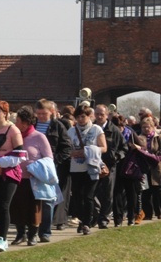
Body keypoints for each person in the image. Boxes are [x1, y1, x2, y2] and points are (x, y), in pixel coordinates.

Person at [9, 106, 53, 246]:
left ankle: (32, 235)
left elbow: (48, 158)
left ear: (26, 122)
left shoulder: (39, 137)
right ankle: (20, 233)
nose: (16, 123)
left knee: (34, 208)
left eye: (18, 120)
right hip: (16, 177)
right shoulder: (14, 136)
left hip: (33, 179)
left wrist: (35, 165)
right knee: (17, 206)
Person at [0, 101, 23, 252]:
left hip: (8, 174)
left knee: (3, 205)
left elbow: (20, 154)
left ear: (5, 114)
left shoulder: (13, 130)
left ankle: (3, 238)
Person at [34, 99, 72, 240]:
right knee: (33, 198)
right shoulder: (33, 125)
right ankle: (32, 227)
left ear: (51, 112)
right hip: (33, 166)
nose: (41, 116)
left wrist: (55, 161)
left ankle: (45, 231)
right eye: (38, 113)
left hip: (50, 167)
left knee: (48, 199)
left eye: (44, 113)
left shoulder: (57, 126)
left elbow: (67, 146)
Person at [67, 105, 107, 235]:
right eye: (78, 116)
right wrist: (73, 153)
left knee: (88, 196)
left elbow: (104, 147)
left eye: (83, 116)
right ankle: (82, 219)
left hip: (91, 167)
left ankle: (87, 223)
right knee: (77, 196)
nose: (80, 119)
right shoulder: (71, 131)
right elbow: (67, 149)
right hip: (76, 167)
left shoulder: (96, 129)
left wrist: (88, 151)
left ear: (89, 116)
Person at [92, 104, 127, 229]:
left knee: (107, 194)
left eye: (102, 114)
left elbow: (124, 147)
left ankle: (104, 219)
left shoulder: (114, 130)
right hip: (93, 164)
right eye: (97, 114)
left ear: (107, 115)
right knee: (92, 192)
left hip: (109, 166)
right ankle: (94, 215)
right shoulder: (91, 128)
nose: (99, 116)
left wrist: (116, 157)